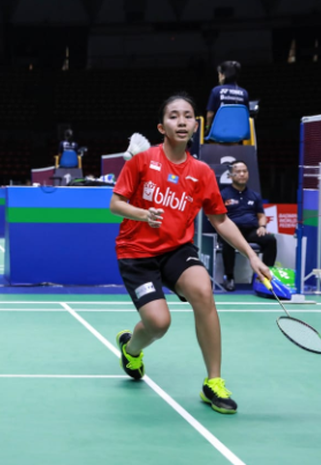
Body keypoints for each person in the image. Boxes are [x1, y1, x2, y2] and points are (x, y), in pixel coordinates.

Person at [109, 94, 272, 415]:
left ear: (196, 125)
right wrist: (143, 215)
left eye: (187, 116)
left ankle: (214, 382)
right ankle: (131, 349)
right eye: (173, 116)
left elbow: (220, 219)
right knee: (158, 324)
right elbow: (116, 204)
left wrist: (252, 257)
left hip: (176, 249)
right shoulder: (141, 161)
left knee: (203, 291)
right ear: (162, 126)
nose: (181, 121)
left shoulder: (202, 173)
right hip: (137, 252)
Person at [219, 160, 277, 291]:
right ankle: (229, 277)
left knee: (270, 240)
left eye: (244, 171)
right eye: (238, 172)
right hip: (231, 232)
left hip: (251, 231)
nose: (241, 174)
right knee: (228, 241)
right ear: (230, 175)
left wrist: (262, 227)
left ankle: (263, 276)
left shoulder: (254, 195)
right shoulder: (223, 194)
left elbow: (261, 216)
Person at [205, 61, 249, 134]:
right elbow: (246, 115)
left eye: (219, 74)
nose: (218, 77)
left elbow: (210, 114)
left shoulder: (216, 91)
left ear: (223, 75)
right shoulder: (244, 93)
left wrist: (207, 128)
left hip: (219, 132)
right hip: (239, 132)